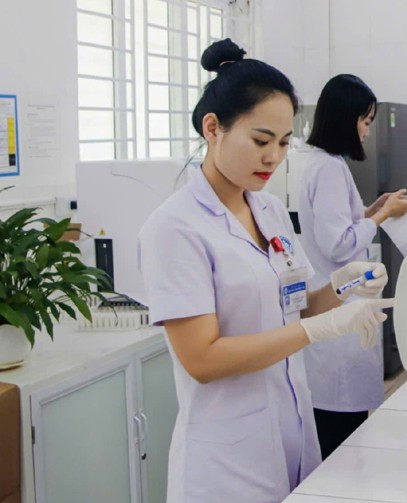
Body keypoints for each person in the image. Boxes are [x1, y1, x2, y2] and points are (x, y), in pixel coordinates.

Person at [138, 40, 392, 503]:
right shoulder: (175, 228)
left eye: (283, 142)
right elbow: (203, 359)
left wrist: (345, 285)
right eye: (260, 141)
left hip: (291, 434)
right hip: (227, 464)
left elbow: (296, 306)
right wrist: (317, 330)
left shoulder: (270, 210)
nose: (273, 157)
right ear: (212, 128)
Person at [298, 74, 407, 458]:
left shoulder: (326, 164)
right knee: (339, 436)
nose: (367, 130)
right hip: (337, 307)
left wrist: (371, 210)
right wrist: (382, 217)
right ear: (345, 119)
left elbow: (337, 226)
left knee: (343, 427)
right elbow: (338, 244)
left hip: (339, 302)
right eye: (365, 121)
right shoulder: (329, 169)